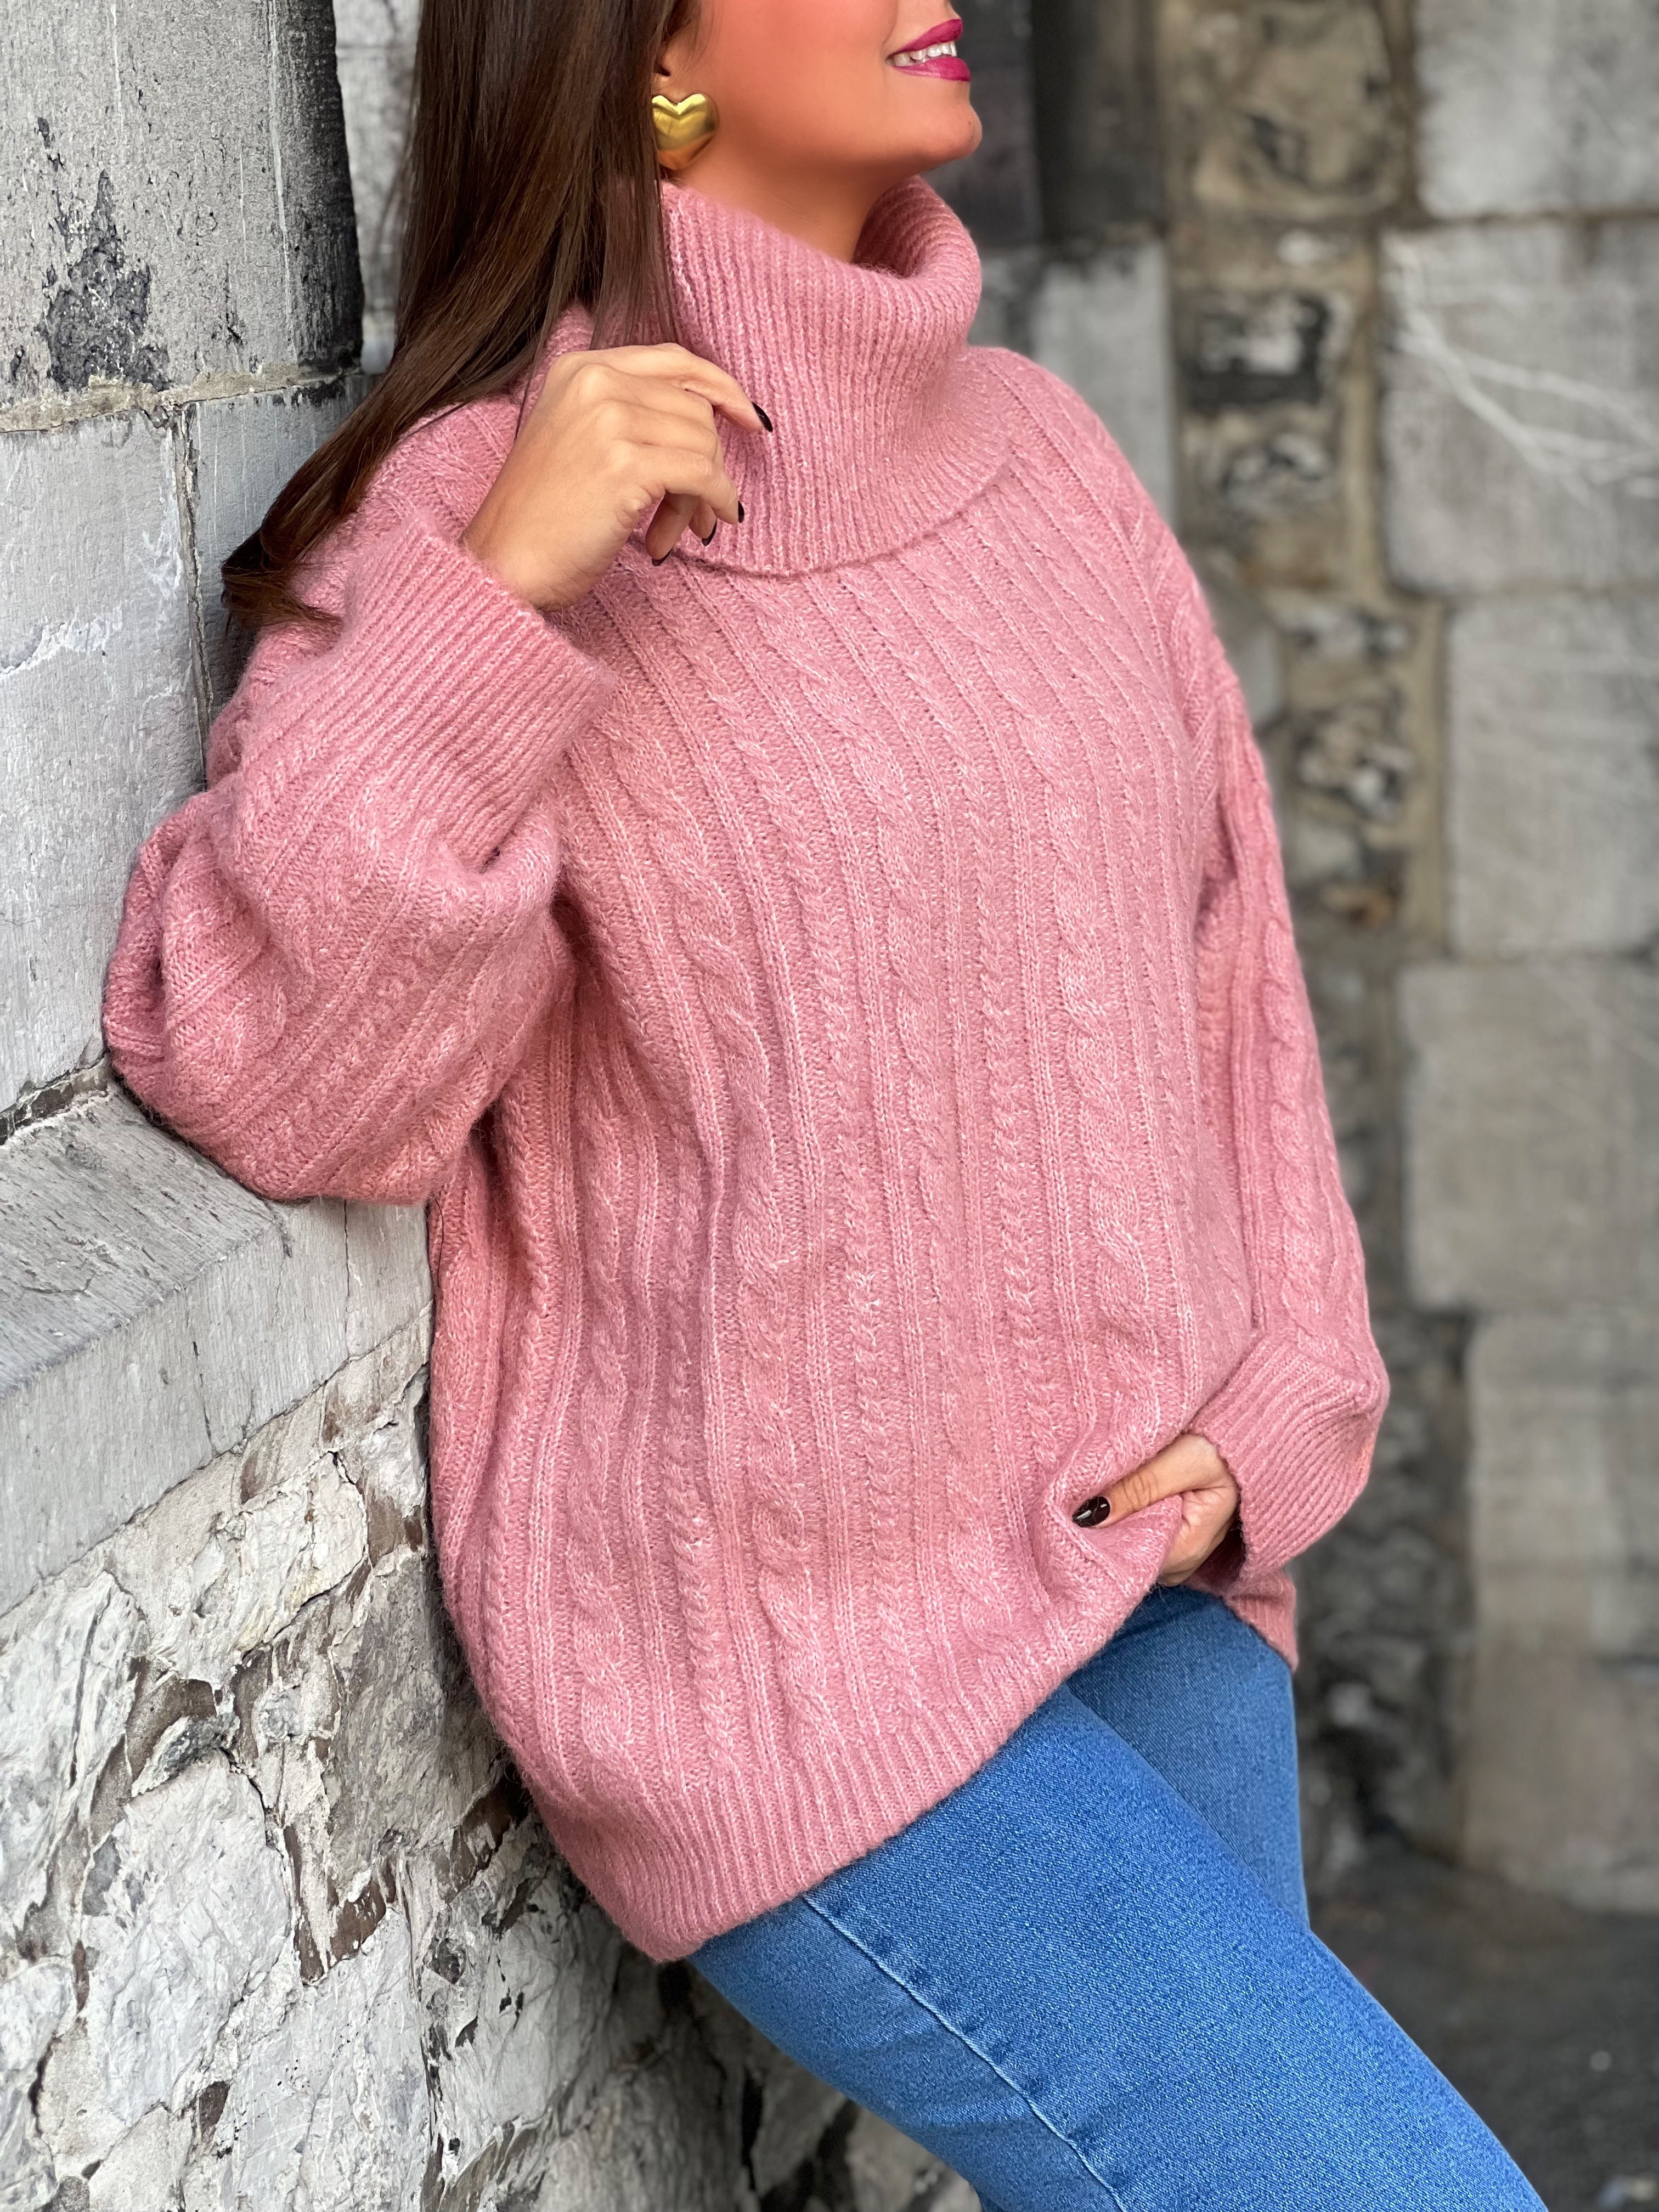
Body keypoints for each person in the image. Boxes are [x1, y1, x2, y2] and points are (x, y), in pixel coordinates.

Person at [101, 0, 1545, 2202]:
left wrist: (1281, 1408)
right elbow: (271, 1077)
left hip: (1156, 1576)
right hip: (810, 1679)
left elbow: (1227, 978)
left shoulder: (1044, 452)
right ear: (645, 46)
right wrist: (501, 598)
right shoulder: (484, 505)